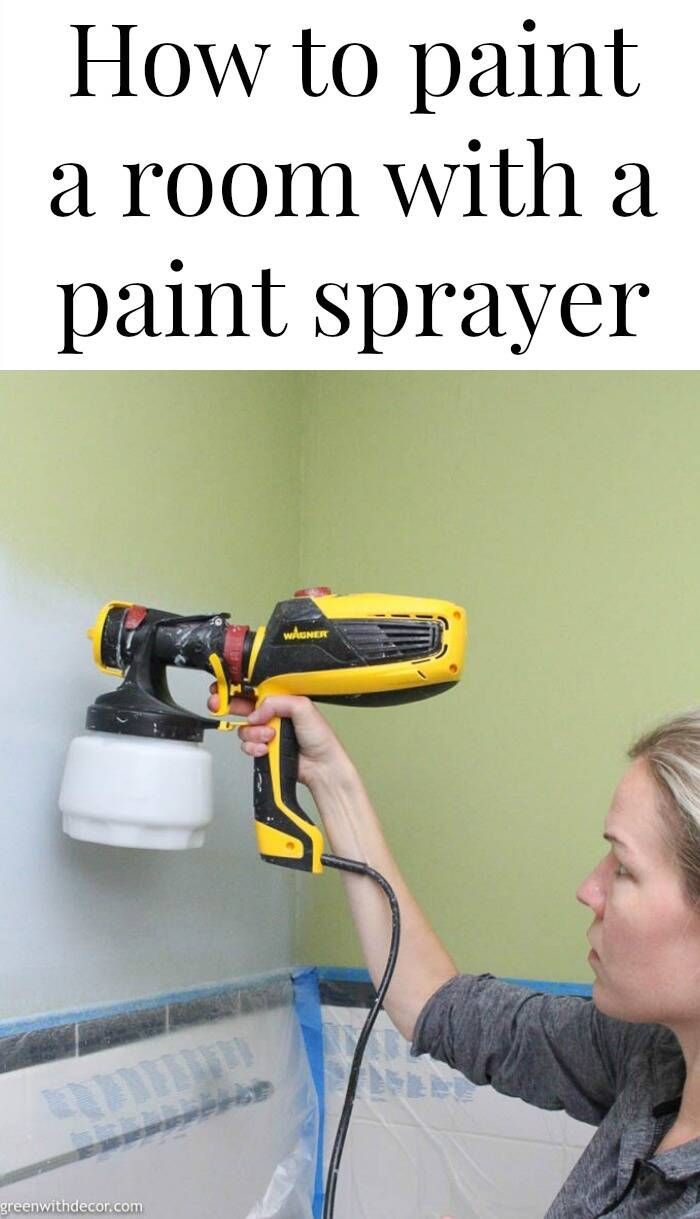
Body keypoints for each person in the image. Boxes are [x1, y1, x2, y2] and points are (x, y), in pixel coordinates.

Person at [210, 687, 700, 1217]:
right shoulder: (650, 1061)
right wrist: (330, 777)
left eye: (623, 868)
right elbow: (432, 1002)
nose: (589, 889)